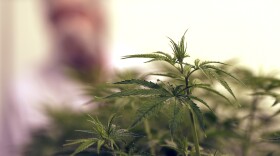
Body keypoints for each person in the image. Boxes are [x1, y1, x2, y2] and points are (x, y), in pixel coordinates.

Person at [0, 0, 110, 155]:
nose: (70, 26)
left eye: (78, 12)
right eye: (59, 16)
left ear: (99, 15)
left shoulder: (136, 73)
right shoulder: (25, 89)